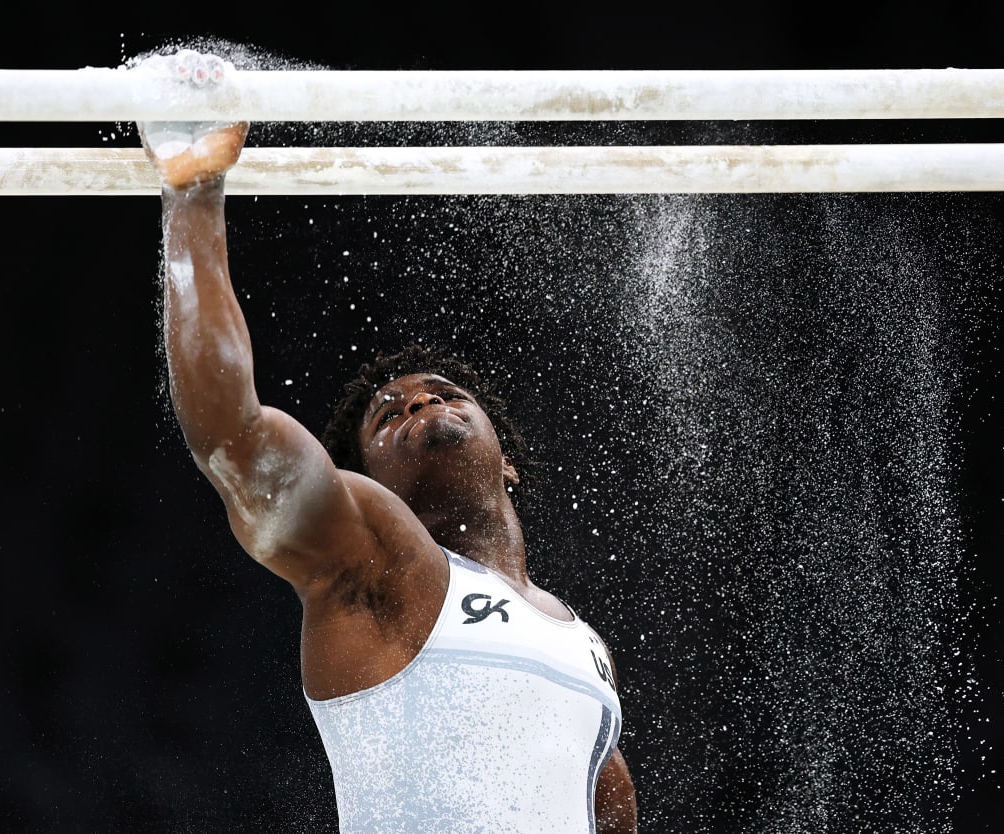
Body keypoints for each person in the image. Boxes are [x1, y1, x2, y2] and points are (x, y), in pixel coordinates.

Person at [135, 50, 638, 833]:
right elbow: (232, 435)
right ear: (369, 481)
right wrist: (194, 191)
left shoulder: (586, 645)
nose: (421, 400)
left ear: (508, 460)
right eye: (388, 413)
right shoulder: (376, 560)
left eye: (444, 393)